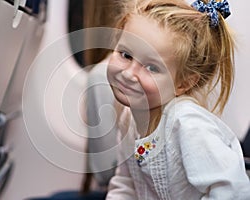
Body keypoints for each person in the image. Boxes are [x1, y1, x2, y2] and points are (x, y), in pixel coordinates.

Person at [105, 0, 250, 199]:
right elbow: (125, 185)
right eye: (126, 55)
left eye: (151, 68)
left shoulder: (187, 125)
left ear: (182, 84)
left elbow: (233, 191)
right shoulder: (129, 119)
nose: (129, 74)